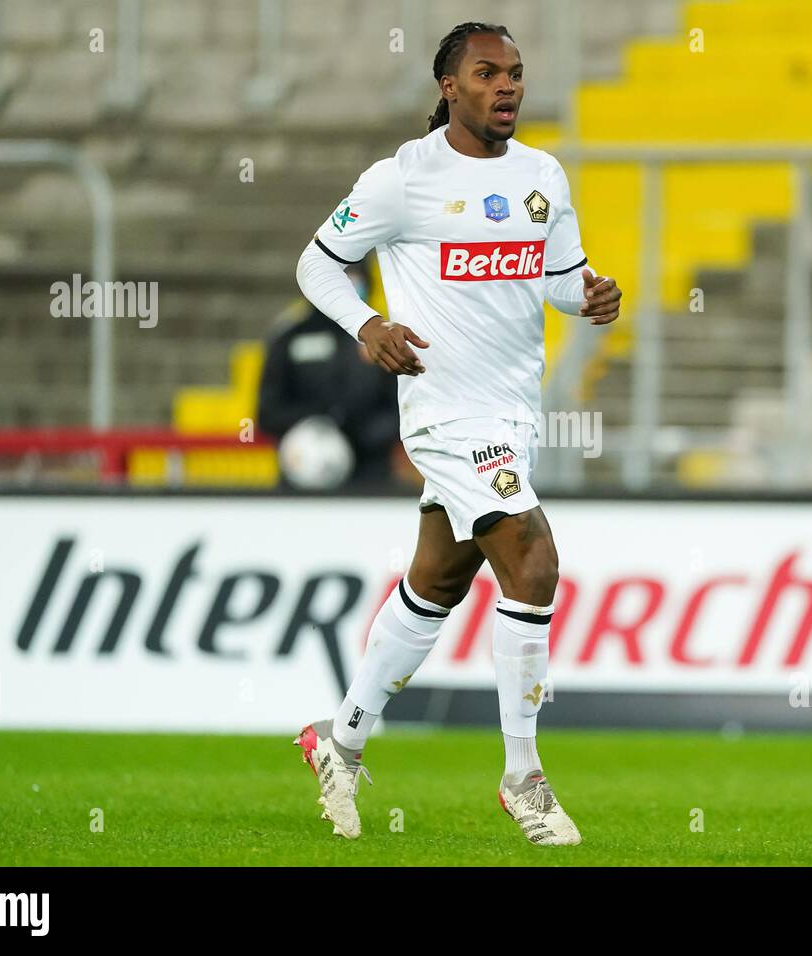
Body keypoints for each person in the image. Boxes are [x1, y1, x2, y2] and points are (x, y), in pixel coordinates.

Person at [292, 21, 621, 846]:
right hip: (443, 412)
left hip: (514, 410)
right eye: (487, 73)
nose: (507, 86)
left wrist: (589, 295)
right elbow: (316, 262)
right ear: (449, 86)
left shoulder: (542, 176)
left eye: (514, 73)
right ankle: (524, 778)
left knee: (437, 583)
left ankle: (340, 740)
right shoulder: (402, 180)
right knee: (535, 561)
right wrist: (367, 323)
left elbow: (554, 281)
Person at [256, 274, 403, 489]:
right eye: (340, 272)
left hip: (370, 478)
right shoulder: (289, 338)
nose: (350, 280)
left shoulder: (383, 340)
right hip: (301, 477)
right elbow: (266, 413)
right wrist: (320, 420)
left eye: (356, 272)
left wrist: (360, 434)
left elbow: (403, 409)